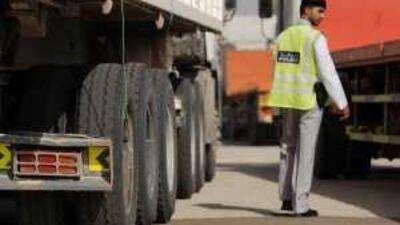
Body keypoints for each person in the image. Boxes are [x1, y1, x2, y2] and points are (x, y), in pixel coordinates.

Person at [267, 0, 350, 217]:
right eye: (320, 11)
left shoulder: (283, 37)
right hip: (309, 102)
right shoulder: (315, 38)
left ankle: (286, 198)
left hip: (288, 101)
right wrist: (341, 102)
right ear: (306, 10)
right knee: (306, 153)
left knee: (288, 148)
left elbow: (279, 68)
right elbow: (328, 72)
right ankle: (300, 204)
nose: (323, 16)